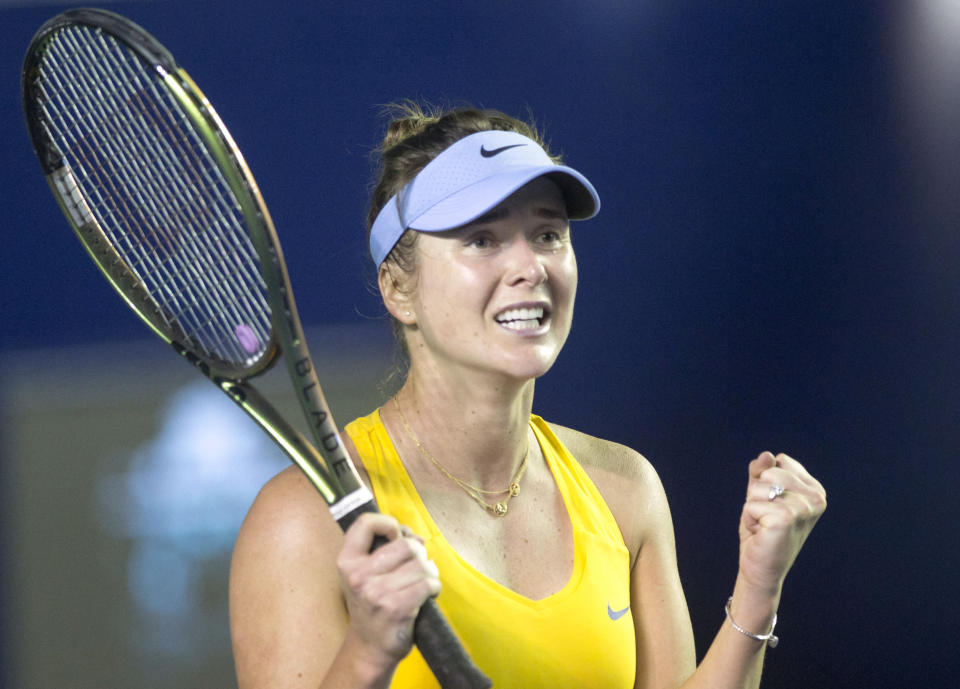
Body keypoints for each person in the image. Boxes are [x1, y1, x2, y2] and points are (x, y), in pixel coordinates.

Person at [228, 104, 827, 689]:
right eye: (482, 240)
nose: (529, 266)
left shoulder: (624, 490)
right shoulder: (302, 520)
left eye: (547, 233)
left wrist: (758, 586)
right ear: (398, 288)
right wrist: (368, 654)